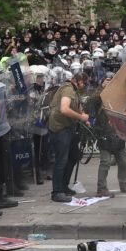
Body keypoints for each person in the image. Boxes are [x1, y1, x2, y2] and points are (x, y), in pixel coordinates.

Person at [47, 72, 90, 202]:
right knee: (61, 160)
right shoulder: (67, 88)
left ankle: (64, 186)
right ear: (78, 81)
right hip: (60, 128)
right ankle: (57, 192)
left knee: (73, 156)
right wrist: (81, 117)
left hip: (68, 128)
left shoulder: (74, 91)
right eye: (84, 82)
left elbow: (77, 106)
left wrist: (84, 118)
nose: (84, 86)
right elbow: (64, 109)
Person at [86, 73, 126, 197]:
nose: (109, 84)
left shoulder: (118, 94)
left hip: (117, 132)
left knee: (123, 162)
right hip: (104, 132)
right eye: (107, 81)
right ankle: (101, 188)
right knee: (105, 162)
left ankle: (123, 183)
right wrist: (101, 88)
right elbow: (90, 104)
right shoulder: (98, 96)